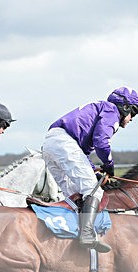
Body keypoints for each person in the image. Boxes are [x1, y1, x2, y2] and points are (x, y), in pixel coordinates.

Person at [42, 87, 138, 253]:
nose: (131, 120)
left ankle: (70, 234)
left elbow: (82, 154)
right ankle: (86, 234)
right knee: (94, 192)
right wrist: (109, 165)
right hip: (65, 143)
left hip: (51, 144)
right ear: (126, 107)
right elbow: (102, 141)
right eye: (134, 114)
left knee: (76, 194)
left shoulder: (100, 109)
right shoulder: (112, 111)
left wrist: (94, 170)